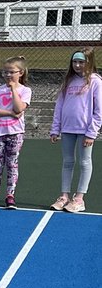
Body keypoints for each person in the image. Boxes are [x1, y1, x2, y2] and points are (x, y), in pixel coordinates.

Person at [49, 47, 102, 213]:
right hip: (67, 129)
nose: (77, 65)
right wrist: (55, 129)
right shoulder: (69, 81)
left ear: (89, 62)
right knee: (67, 162)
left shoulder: (95, 81)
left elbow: (99, 111)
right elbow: (59, 106)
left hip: (85, 131)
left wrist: (92, 132)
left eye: (81, 62)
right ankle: (64, 196)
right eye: (75, 62)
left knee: (85, 162)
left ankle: (79, 198)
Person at [0, 56, 31, 208]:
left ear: (21, 73)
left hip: (15, 133)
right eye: (5, 72)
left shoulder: (25, 90)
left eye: (11, 72)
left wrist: (13, 89)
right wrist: (9, 113)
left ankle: (10, 195)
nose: (8, 75)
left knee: (12, 164)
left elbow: (19, 108)